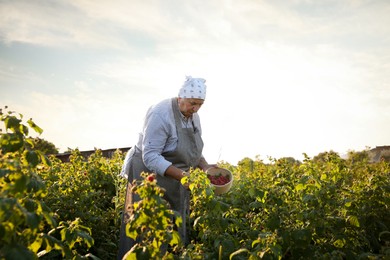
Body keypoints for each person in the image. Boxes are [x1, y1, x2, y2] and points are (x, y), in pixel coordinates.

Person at [117, 76, 215, 259]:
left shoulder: (194, 117)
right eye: (192, 103)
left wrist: (206, 167)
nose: (195, 109)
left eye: (200, 105)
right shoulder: (161, 114)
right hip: (146, 174)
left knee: (173, 221)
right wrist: (184, 176)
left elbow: (193, 150)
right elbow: (151, 155)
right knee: (146, 222)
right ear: (180, 98)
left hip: (176, 173)